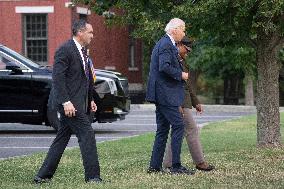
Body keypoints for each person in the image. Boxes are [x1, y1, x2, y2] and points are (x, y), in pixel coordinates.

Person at [34, 19, 102, 184]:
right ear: (80, 33)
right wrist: (66, 102)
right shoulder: (65, 50)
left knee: (62, 138)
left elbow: (84, 79)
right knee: (87, 135)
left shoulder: (83, 51)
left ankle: (42, 176)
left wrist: (90, 99)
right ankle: (93, 177)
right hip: (70, 104)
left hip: (79, 102)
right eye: (90, 32)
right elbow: (58, 79)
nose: (93, 35)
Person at [146, 18, 194, 175]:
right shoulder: (166, 44)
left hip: (161, 94)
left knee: (163, 130)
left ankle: (154, 167)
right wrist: (181, 75)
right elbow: (164, 66)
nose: (184, 32)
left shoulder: (165, 43)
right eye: (183, 29)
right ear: (175, 30)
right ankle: (176, 166)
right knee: (179, 125)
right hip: (165, 94)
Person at [163, 36, 215, 172]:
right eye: (186, 49)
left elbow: (186, 85)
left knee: (178, 131)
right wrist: (177, 104)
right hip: (178, 102)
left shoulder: (181, 60)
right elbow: (171, 85)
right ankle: (199, 162)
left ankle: (168, 163)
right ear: (179, 44)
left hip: (184, 101)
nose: (187, 52)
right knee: (191, 129)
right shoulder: (173, 61)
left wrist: (196, 101)